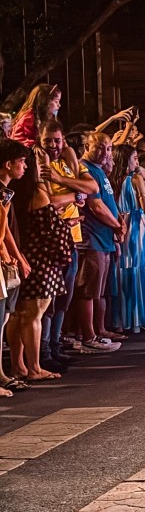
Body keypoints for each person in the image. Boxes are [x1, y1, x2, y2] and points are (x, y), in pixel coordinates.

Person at [40, 120, 95, 367]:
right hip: (50, 240)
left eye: (57, 140)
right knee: (48, 300)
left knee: (65, 296)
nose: (53, 145)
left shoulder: (63, 164)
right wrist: (74, 194)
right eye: (48, 141)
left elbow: (91, 186)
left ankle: (55, 344)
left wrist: (61, 179)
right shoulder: (39, 166)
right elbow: (49, 201)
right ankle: (44, 352)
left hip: (71, 238)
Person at [77, 131, 125, 351]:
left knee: (99, 289)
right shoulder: (85, 168)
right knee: (88, 289)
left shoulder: (99, 170)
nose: (105, 153)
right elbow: (95, 206)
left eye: (108, 148)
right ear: (87, 145)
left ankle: (98, 331)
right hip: (92, 236)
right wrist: (116, 224)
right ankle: (88, 337)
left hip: (104, 237)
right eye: (100, 147)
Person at [111, 144, 145, 334]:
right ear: (126, 160)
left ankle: (125, 318)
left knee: (125, 269)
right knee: (143, 267)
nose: (137, 162)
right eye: (134, 158)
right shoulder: (135, 179)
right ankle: (144, 316)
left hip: (120, 224)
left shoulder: (112, 179)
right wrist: (144, 183)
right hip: (136, 224)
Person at [0, 139, 32, 394]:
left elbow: (7, 231)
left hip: (8, 258)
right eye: (21, 161)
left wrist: (18, 256)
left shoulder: (7, 192)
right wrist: (11, 255)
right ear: (8, 164)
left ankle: (1, 373)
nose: (25, 166)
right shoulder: (2, 192)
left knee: (4, 318)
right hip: (2, 261)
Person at [10, 83, 60, 148]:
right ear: (45, 102)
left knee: (68, 150)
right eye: (56, 101)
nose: (59, 105)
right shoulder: (28, 116)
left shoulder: (47, 117)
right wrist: (35, 145)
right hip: (27, 152)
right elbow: (18, 137)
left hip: (43, 148)